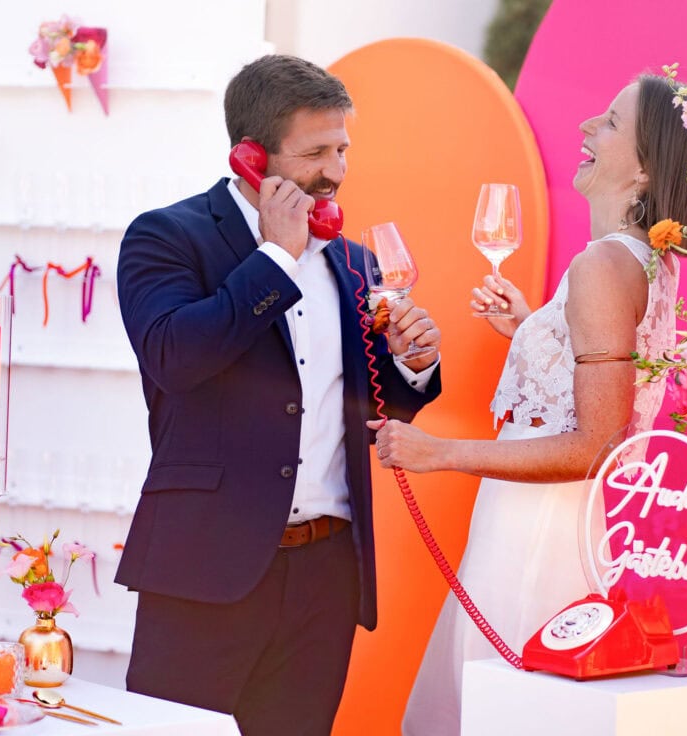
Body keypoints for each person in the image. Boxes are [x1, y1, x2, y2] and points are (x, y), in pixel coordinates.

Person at [369, 74, 687, 734]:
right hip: (560, 522)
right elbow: (595, 386)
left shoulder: (602, 268)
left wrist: (438, 451)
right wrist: (536, 328)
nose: (587, 126)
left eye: (610, 122)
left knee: (504, 707)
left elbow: (594, 446)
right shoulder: (645, 262)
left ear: (645, 170)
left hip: (535, 531)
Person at [115, 54, 442, 736]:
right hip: (205, 569)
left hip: (326, 577)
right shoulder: (166, 236)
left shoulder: (355, 261)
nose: (336, 170)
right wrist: (277, 256)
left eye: (342, 149)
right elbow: (175, 358)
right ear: (251, 155)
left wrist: (413, 365)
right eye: (315, 153)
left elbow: (370, 407)